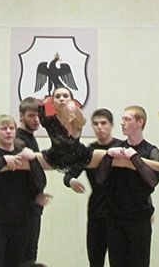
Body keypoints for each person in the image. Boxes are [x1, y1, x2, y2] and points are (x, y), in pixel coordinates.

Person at [0, 88, 159, 177]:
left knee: (125, 159)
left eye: (66, 95)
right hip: (54, 156)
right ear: (53, 101)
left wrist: (73, 109)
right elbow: (36, 108)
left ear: (72, 99)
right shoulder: (49, 119)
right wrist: (45, 102)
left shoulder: (77, 117)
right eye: (58, 96)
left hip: (81, 155)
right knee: (12, 161)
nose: (63, 99)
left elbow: (82, 120)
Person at [0, 114, 46, 267]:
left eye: (11, 128)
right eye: (3, 128)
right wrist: (3, 161)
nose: (8, 131)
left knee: (16, 264)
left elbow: (41, 183)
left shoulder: (23, 154)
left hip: (22, 222)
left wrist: (32, 160)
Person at [95, 105, 159, 267]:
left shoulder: (151, 151)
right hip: (115, 218)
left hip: (139, 219)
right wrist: (108, 157)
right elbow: (99, 179)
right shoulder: (116, 149)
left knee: (139, 263)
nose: (122, 122)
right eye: (122, 119)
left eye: (127, 119)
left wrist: (135, 158)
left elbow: (152, 181)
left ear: (140, 122)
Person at [64, 108, 123, 267]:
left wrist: (147, 204)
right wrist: (72, 181)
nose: (99, 127)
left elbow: (136, 182)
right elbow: (68, 175)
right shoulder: (88, 152)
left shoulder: (122, 147)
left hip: (121, 213)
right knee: (95, 260)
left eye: (103, 123)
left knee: (119, 260)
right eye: (96, 124)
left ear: (111, 125)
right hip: (97, 212)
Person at [16, 97, 49, 267]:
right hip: (23, 207)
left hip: (32, 204)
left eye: (38, 116)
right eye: (31, 115)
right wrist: (39, 189)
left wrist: (39, 191)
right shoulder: (18, 140)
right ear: (21, 116)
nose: (36, 119)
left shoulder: (29, 137)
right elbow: (32, 172)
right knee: (23, 256)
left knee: (30, 254)